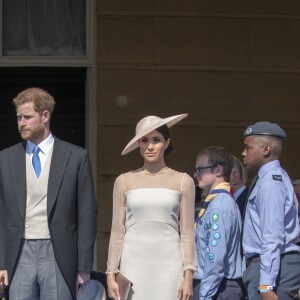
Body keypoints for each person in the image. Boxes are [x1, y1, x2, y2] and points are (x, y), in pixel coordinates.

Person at [0, 87, 97, 300]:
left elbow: (87, 213)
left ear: (45, 116)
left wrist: (84, 266)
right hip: (18, 253)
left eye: (27, 117)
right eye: (18, 117)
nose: (21, 122)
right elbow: (2, 214)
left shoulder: (76, 157)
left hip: (59, 254)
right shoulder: (5, 158)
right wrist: (2, 263)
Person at [106, 114, 197, 300]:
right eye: (144, 140)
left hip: (169, 266)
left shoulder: (183, 181)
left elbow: (187, 232)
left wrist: (188, 277)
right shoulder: (123, 181)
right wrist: (110, 273)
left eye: (156, 140)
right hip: (132, 265)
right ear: (138, 144)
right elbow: (117, 231)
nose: (150, 146)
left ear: (167, 142)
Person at [241, 121, 300, 300]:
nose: (243, 153)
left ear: (266, 150)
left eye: (248, 148)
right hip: (267, 266)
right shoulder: (267, 179)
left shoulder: (270, 183)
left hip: (273, 270)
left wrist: (266, 285)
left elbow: (271, 236)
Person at [194, 146, 243, 300]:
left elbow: (215, 258)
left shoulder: (218, 207)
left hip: (218, 289)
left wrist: (205, 296)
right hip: (217, 285)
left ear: (218, 170)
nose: (196, 174)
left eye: (200, 169)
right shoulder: (219, 202)